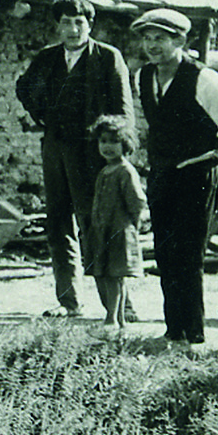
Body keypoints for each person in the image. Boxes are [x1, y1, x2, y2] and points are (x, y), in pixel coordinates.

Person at [130, 7, 218, 349]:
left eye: (161, 39)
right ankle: (173, 329)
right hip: (163, 173)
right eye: (148, 39)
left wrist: (217, 160)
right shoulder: (144, 77)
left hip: (198, 175)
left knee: (188, 254)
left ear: (180, 40)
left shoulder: (205, 79)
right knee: (164, 253)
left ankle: (192, 335)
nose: (153, 46)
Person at [14, 0, 132, 318]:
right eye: (65, 22)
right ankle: (70, 302)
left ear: (89, 25)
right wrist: (44, 116)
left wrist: (115, 152)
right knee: (58, 223)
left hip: (94, 154)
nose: (72, 29)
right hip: (56, 149)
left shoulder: (107, 58)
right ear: (58, 26)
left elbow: (122, 111)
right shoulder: (48, 58)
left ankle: (119, 306)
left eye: (79, 22)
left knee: (96, 223)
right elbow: (24, 88)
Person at [86, 115, 147, 330]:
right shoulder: (105, 171)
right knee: (109, 276)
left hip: (119, 232)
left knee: (114, 277)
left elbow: (137, 201)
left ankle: (111, 318)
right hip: (104, 232)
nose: (107, 147)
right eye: (103, 141)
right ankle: (119, 319)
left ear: (126, 144)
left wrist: (132, 226)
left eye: (114, 141)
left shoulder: (125, 171)